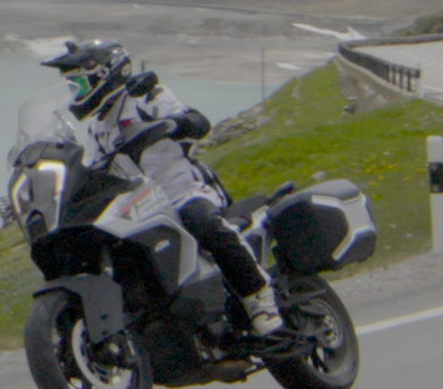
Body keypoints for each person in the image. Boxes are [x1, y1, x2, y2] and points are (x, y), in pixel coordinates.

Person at [42, 39, 285, 337]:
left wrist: (170, 125)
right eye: (72, 87)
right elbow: (92, 171)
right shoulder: (97, 128)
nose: (76, 93)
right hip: (141, 206)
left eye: (78, 84)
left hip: (184, 190)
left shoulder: (146, 97)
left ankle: (258, 297)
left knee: (201, 221)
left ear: (104, 73)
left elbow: (198, 121)